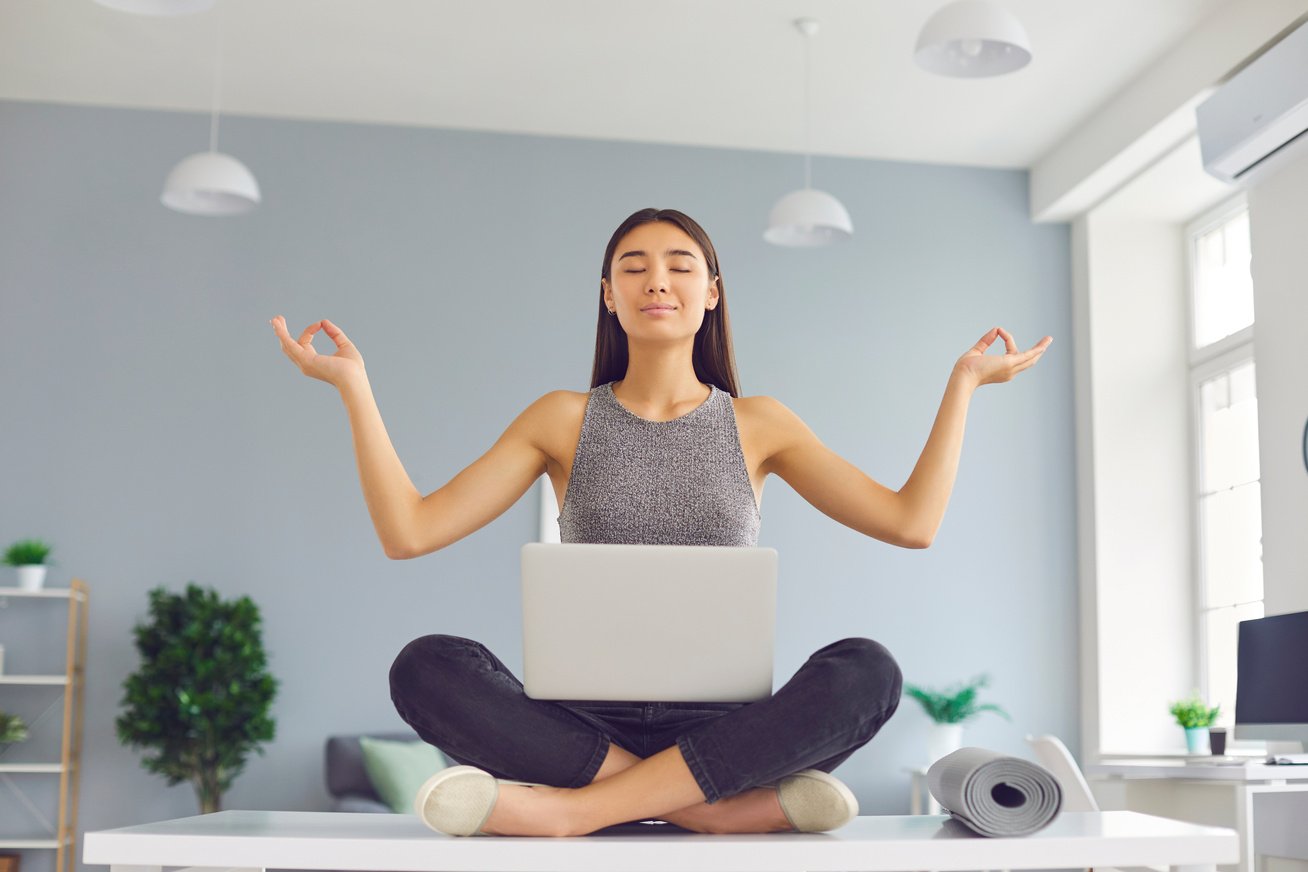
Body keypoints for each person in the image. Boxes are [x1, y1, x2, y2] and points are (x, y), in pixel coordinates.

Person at [270, 207, 1052, 839]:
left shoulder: (760, 424)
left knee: (867, 670)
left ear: (713, 292)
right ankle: (713, 811)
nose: (657, 280)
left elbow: (910, 522)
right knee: (426, 664)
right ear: (607, 295)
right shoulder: (560, 418)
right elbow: (409, 531)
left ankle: (575, 812)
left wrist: (964, 386)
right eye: (633, 266)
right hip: (583, 725)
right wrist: (354, 389)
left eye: (680, 265)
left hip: (721, 724)